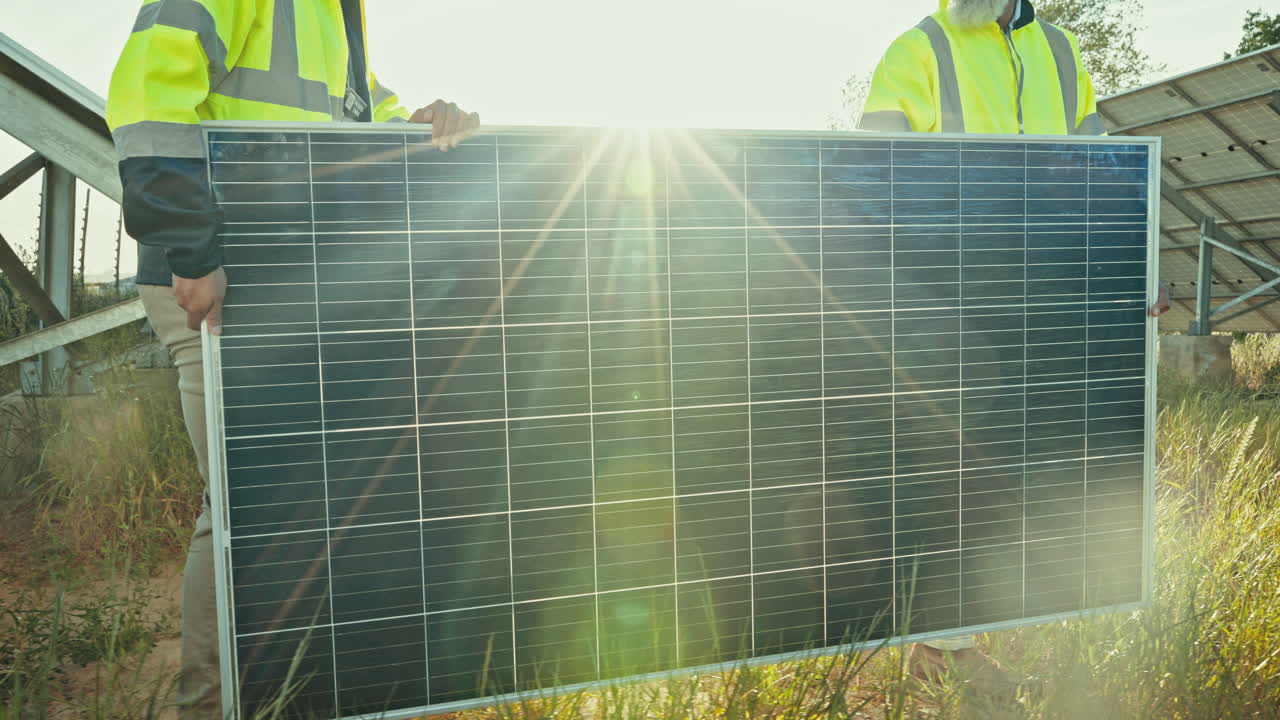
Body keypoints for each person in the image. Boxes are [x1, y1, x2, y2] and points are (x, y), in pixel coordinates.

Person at [105, 2, 478, 717]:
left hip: (287, 276)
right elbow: (147, 94)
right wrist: (192, 245)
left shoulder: (336, 13)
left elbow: (348, 126)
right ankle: (214, 706)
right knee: (250, 507)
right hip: (221, 277)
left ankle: (299, 693)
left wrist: (425, 123)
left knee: (287, 502)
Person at [856, 0, 1169, 694]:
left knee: (1032, 455)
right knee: (956, 466)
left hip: (1049, 294)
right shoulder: (918, 50)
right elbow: (874, 182)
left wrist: (1135, 260)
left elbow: (1105, 176)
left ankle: (1000, 616)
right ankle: (943, 649)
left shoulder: (1061, 52)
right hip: (955, 296)